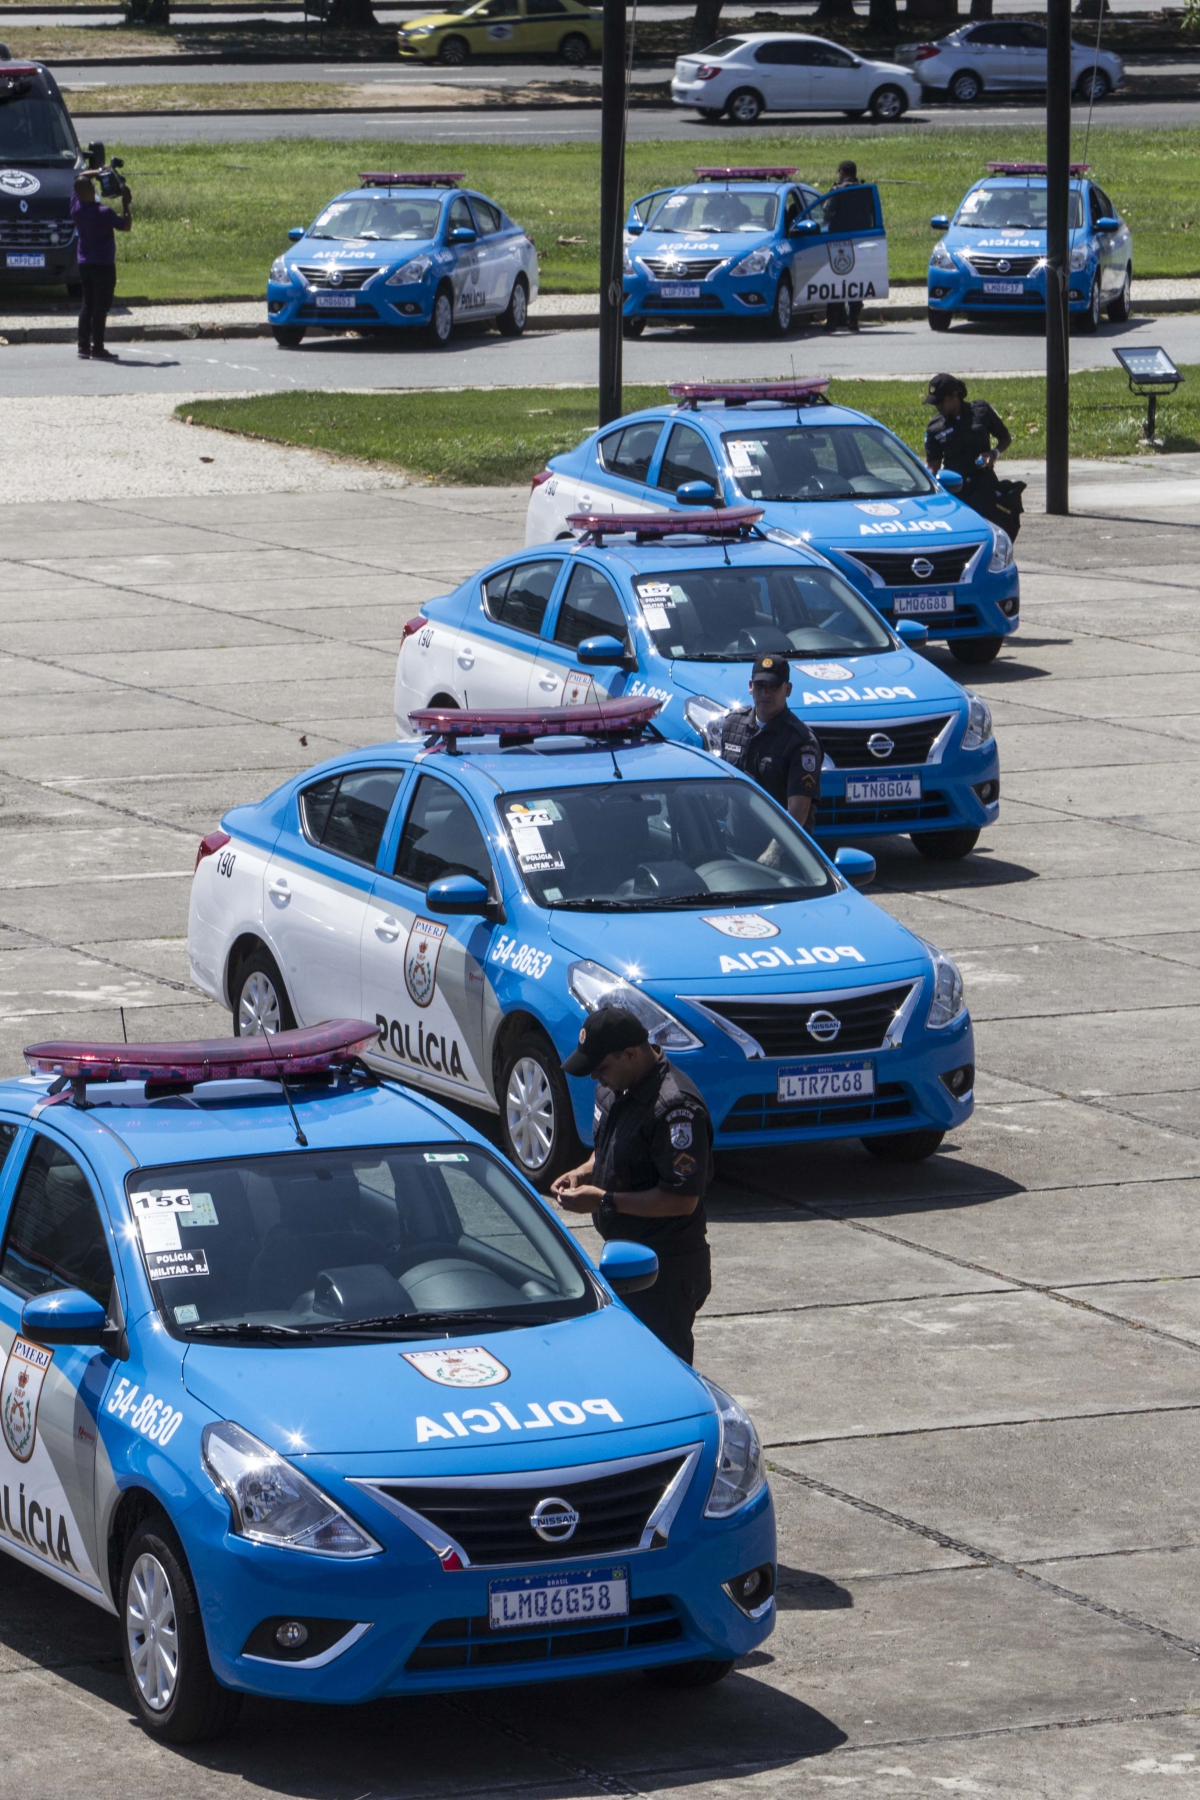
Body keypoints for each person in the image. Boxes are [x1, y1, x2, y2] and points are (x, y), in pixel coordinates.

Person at [551, 1007, 712, 1364]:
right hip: (626, 1258)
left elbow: (681, 1199)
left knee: (663, 1369)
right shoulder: (614, 1090)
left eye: (602, 1067)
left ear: (631, 1054)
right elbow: (612, 1148)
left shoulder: (674, 1109)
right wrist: (582, 1172)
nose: (595, 1077)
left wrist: (605, 1200)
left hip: (667, 1268)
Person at [716, 654, 822, 833]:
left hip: (782, 847)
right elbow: (720, 792)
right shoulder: (733, 725)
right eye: (760, 686)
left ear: (787, 689)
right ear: (750, 686)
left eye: (773, 687)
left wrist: (773, 853)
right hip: (735, 843)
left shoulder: (802, 741)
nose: (766, 694)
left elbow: (798, 811)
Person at [922, 372, 1024, 542]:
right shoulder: (935, 428)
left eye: (940, 401)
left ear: (954, 396)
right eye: (935, 402)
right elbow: (933, 466)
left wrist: (994, 453)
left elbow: (1005, 438)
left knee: (995, 533)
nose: (937, 406)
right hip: (957, 490)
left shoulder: (981, 411)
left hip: (984, 486)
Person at [70, 171, 132, 362]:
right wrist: (126, 203)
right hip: (103, 265)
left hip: (84, 263)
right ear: (90, 189)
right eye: (92, 186)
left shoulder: (76, 207)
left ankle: (83, 346)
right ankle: (97, 347)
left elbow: (80, 176)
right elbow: (126, 226)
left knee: (87, 304)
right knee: (101, 307)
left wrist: (98, 171)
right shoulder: (103, 213)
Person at [823, 159, 863, 334]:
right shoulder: (864, 190)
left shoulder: (837, 191)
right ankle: (853, 320)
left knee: (836, 281)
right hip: (861, 240)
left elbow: (826, 212)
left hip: (838, 241)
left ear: (842, 173)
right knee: (857, 282)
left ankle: (832, 322)